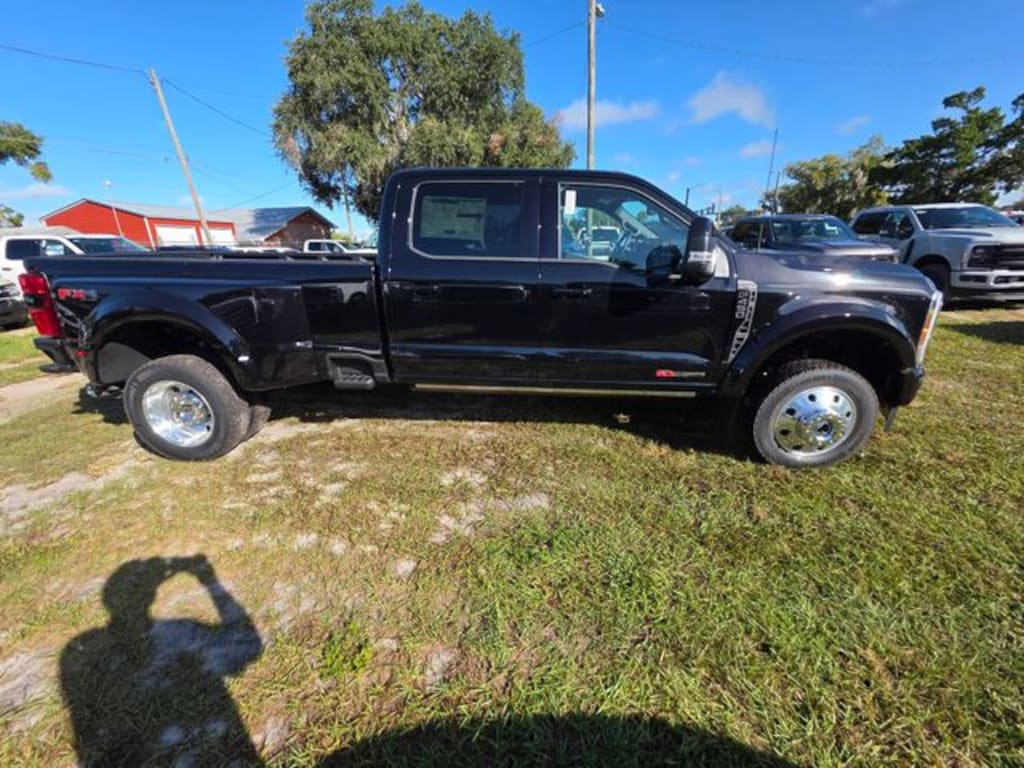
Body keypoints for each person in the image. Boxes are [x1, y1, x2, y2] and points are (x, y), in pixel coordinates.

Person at [60, 555, 263, 766]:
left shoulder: (88, 654)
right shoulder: (179, 635)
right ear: (152, 595)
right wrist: (210, 580)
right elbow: (247, 645)